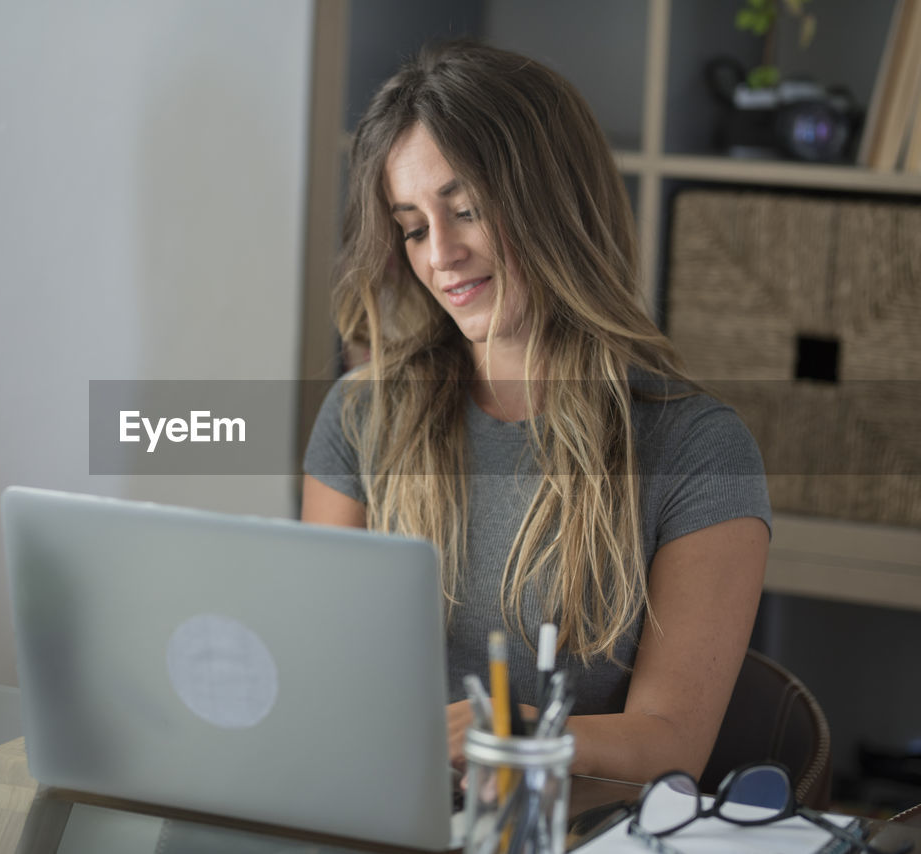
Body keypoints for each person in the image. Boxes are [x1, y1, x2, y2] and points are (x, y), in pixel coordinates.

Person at [301, 41, 770, 785]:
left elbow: (670, 741)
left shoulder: (700, 449)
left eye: (468, 210)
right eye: (415, 227)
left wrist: (510, 734)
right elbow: (322, 663)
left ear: (555, 202)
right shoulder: (363, 412)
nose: (441, 255)